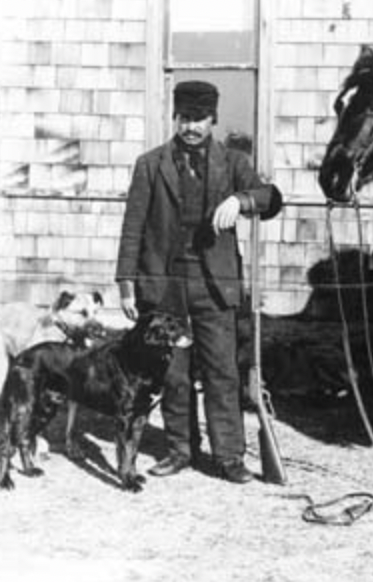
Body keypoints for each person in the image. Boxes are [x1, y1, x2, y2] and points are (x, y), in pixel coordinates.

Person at [116, 81, 281, 484]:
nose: (191, 126)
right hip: (164, 285)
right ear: (176, 117)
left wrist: (241, 201)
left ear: (213, 120)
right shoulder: (150, 164)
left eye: (199, 119)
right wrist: (125, 282)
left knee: (221, 371)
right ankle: (180, 450)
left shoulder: (233, 162)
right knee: (173, 372)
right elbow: (133, 227)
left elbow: (271, 197)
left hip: (215, 285)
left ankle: (228, 457)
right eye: (185, 118)